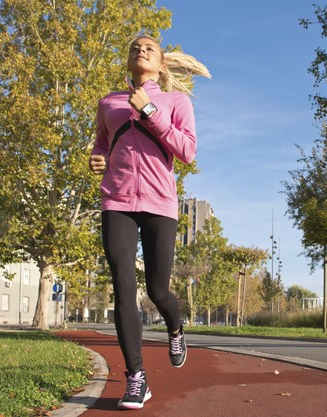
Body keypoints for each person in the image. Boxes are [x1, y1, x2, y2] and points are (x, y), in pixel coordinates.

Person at [89, 35, 210, 410]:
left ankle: (175, 327)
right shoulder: (108, 102)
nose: (140, 51)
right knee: (124, 287)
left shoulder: (176, 101)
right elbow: (100, 144)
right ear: (128, 61)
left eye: (149, 49)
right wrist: (97, 159)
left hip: (160, 203)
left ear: (160, 64)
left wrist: (151, 113)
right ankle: (137, 378)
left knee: (158, 291)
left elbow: (187, 151)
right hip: (117, 201)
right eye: (135, 48)